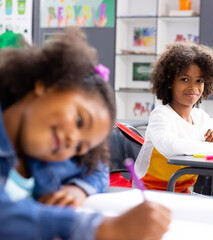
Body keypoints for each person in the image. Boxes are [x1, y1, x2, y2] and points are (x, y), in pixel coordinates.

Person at [0, 27, 171, 240]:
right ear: (47, 85)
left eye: (80, 147)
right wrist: (103, 228)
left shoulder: (42, 153)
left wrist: (78, 189)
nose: (72, 141)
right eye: (79, 120)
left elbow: (96, 168)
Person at [134, 42, 213, 193]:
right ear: (169, 82)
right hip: (149, 192)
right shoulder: (161, 115)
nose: (193, 87)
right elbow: (169, 146)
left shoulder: (199, 117)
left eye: (199, 80)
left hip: (180, 191)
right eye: (185, 79)